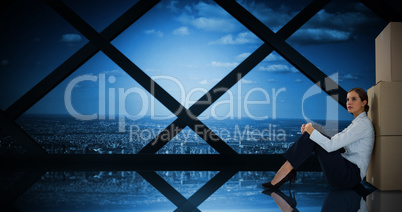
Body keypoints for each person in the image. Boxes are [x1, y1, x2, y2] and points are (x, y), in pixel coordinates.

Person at [262, 88, 375, 189]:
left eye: (354, 99)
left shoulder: (363, 125)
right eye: (347, 99)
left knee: (312, 137)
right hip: (346, 172)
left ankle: (285, 171)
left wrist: (312, 132)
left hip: (349, 176)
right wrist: (314, 130)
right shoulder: (357, 123)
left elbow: (331, 146)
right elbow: (335, 141)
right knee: (312, 136)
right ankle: (286, 171)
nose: (349, 102)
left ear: (363, 103)